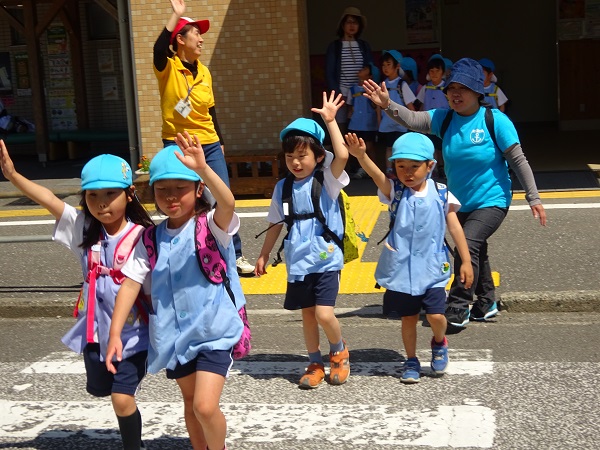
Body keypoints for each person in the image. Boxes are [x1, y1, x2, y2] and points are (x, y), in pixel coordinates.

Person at [362, 58, 547, 331]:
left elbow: (518, 160)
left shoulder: (495, 120)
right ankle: (486, 302)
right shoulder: (444, 118)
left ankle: (458, 306)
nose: (456, 94)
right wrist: (387, 104)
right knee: (477, 248)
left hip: (492, 199)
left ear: (478, 92)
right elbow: (412, 119)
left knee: (468, 244)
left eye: (463, 89)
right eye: (452, 89)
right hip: (459, 202)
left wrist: (534, 198)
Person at [0, 141, 154, 450]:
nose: (101, 203)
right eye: (92, 195)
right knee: (103, 389)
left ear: (129, 194)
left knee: (122, 397)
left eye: (110, 193)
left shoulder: (143, 235)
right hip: (94, 333)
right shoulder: (84, 229)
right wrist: (13, 176)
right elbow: (49, 200)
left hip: (134, 336)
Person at [106, 132, 245, 450]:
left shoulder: (211, 226)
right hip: (174, 336)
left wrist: (203, 168)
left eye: (180, 188)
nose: (171, 197)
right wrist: (115, 333)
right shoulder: (150, 238)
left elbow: (228, 203)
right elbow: (131, 283)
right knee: (190, 402)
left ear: (198, 189)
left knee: (205, 406)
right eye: (162, 189)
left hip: (213, 333)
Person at [344, 131, 473, 382]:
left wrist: (465, 261)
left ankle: (439, 342)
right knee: (408, 318)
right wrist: (361, 156)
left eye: (415, 166)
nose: (407, 172)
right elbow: (376, 175)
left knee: (436, 316)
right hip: (403, 269)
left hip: (433, 267)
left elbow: (455, 228)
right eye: (401, 166)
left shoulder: (442, 193)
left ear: (430, 166)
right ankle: (411, 360)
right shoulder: (395, 191)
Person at [254, 92, 350, 389]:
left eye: (302, 155)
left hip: (326, 257)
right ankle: (315, 362)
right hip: (298, 260)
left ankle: (339, 351)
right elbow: (275, 223)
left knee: (323, 313)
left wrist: (330, 121)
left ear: (318, 156)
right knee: (308, 316)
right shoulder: (282, 187)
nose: (295, 162)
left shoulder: (327, 180)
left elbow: (343, 155)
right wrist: (264, 254)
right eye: (289, 157)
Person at [153, 0, 254, 276]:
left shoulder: (205, 71)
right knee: (185, 200)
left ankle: (234, 254)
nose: (201, 39)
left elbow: (211, 110)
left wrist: (220, 140)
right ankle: (187, 251)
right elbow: (158, 48)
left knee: (223, 197)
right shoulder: (167, 67)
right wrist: (177, 15)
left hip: (208, 143)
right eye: (196, 33)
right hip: (179, 143)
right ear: (180, 39)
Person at [325, 6, 373, 135]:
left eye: (355, 23)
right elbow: (329, 74)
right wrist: (339, 95)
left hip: (360, 94)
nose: (352, 25)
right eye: (349, 22)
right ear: (342, 25)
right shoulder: (335, 47)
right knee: (340, 127)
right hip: (342, 93)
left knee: (359, 128)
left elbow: (371, 68)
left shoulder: (364, 46)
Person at [378, 50, 416, 177]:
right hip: (387, 124)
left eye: (388, 64)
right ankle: (389, 171)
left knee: (401, 148)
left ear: (397, 66)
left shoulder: (402, 84)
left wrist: (415, 123)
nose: (385, 68)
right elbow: (378, 107)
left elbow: (410, 106)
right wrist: (379, 121)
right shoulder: (381, 85)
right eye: (383, 65)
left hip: (401, 124)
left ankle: (402, 171)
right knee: (389, 148)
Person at [416, 54, 449, 179]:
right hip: (429, 123)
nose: (434, 74)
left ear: (443, 72)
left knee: (443, 147)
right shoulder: (425, 88)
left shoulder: (447, 88)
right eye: (432, 71)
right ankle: (434, 169)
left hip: (444, 123)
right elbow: (421, 104)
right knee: (432, 147)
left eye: (437, 71)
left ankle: (443, 168)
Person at [347, 62, 380, 179]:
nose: (361, 69)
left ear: (370, 76)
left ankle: (373, 170)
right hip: (355, 123)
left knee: (369, 146)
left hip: (369, 123)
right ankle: (359, 169)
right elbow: (350, 106)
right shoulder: (352, 89)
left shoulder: (373, 89)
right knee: (355, 147)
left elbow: (376, 106)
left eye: (365, 68)